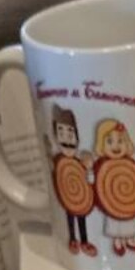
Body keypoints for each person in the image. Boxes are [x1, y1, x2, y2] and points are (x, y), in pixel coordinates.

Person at [92, 118, 135, 257]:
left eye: (120, 141)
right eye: (109, 141)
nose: (116, 146)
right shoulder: (101, 166)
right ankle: (117, 241)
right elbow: (95, 183)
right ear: (101, 145)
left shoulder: (130, 163)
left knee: (129, 222)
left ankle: (130, 240)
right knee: (115, 224)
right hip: (112, 203)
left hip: (128, 202)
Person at [48, 105, 95, 257]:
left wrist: (89, 168)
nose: (66, 138)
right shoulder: (58, 159)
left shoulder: (80, 160)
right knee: (70, 216)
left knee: (81, 217)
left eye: (70, 133)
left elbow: (90, 180)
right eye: (61, 133)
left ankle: (84, 240)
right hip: (66, 194)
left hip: (81, 197)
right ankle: (72, 239)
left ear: (76, 136)